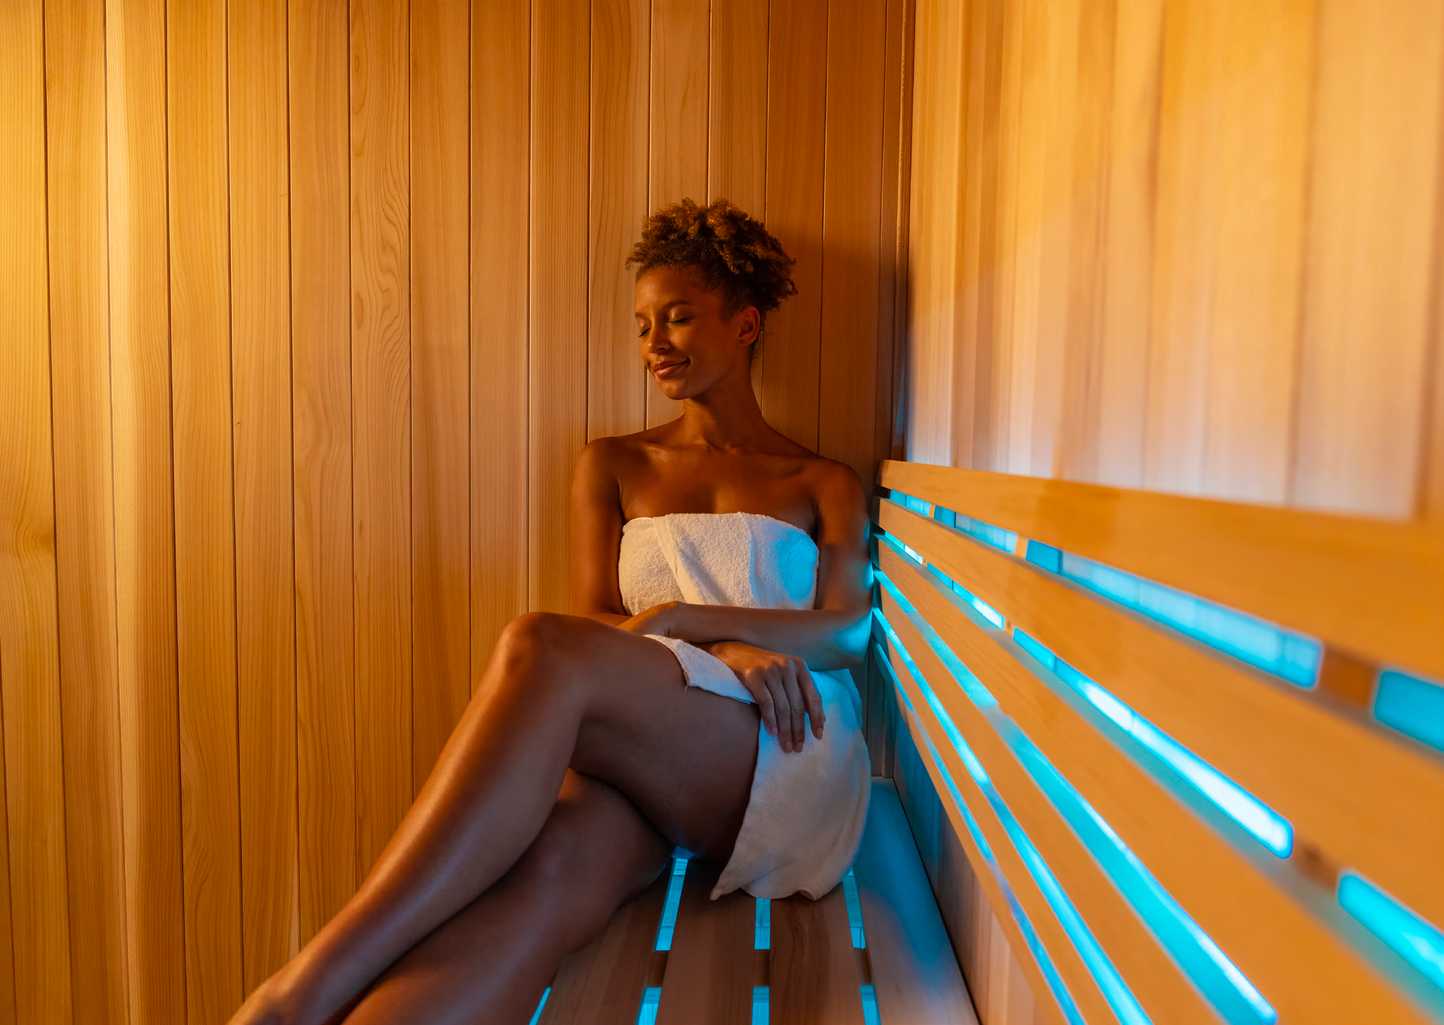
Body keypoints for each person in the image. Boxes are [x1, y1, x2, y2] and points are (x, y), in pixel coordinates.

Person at [228, 198, 874, 1025]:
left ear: (745, 324)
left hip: (783, 743)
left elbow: (848, 631)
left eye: (678, 317)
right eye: (642, 325)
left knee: (537, 643)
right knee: (552, 873)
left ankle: (301, 991)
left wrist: (692, 623)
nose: (655, 343)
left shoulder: (819, 481)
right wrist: (717, 651)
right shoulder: (613, 463)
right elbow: (601, 623)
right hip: (661, 740)